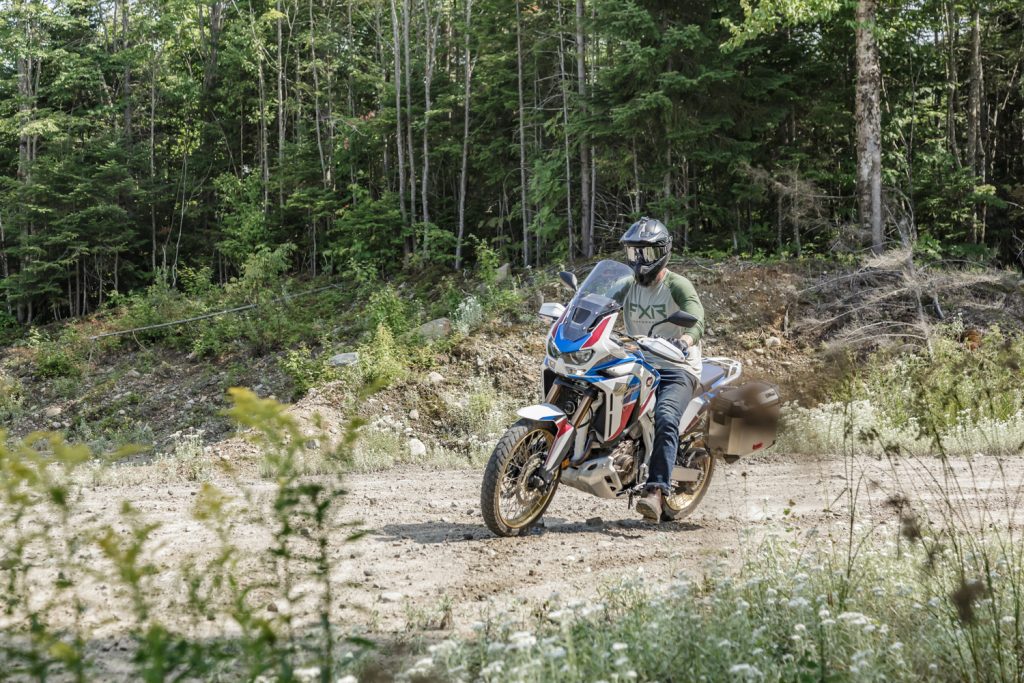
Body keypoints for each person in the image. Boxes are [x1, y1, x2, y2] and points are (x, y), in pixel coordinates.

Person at [615, 217, 705, 522]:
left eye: (647, 254)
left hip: (676, 366)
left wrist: (686, 339)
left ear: (663, 253)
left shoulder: (677, 284)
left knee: (667, 416)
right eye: (633, 253)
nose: (639, 261)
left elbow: (696, 315)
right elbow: (598, 300)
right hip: (639, 362)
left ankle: (655, 490)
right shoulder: (627, 284)